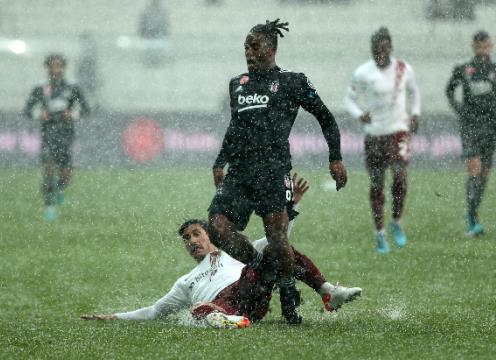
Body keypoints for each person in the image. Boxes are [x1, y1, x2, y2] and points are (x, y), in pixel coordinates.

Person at [81, 174, 362, 328]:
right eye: (186, 238)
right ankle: (228, 320)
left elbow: (279, 243)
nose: (191, 241)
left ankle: (327, 291)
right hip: (229, 307)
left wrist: (291, 207)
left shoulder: (240, 252)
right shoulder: (186, 281)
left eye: (195, 234)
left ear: (211, 235)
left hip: (250, 288)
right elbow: (155, 311)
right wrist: (115, 317)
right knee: (199, 310)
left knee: (279, 251)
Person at [208, 19, 347, 325]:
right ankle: (261, 265)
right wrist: (220, 161)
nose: (248, 51)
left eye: (253, 45)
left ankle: (287, 297)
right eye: (245, 45)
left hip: (273, 172)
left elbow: (326, 118)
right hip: (241, 174)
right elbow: (235, 127)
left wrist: (335, 158)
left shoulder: (292, 82)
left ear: (271, 47)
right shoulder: (237, 84)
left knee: (278, 239)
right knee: (217, 228)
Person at [344, 27, 421, 254]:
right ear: (371, 49)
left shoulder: (403, 68)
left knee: (399, 177)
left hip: (398, 131)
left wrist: (415, 113)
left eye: (384, 47)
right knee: (377, 184)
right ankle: (380, 234)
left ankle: (396, 221)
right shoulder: (362, 73)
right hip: (375, 135)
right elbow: (348, 99)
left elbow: (414, 92)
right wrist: (360, 114)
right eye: (376, 48)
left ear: (390, 47)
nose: (380, 52)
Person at [24, 54, 90, 221]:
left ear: (64, 68)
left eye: (59, 66)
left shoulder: (73, 88)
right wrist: (40, 114)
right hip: (48, 135)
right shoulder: (40, 88)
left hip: (66, 135)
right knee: (48, 167)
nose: (56, 69)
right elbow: (27, 111)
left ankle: (59, 190)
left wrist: (73, 113)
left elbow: (86, 110)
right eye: (52, 66)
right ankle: (49, 206)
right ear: (47, 68)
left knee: (65, 175)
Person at [446, 30, 496, 237]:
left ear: (490, 46)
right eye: (477, 45)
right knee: (474, 170)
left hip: (491, 126)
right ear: (473, 46)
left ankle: (473, 213)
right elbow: (449, 90)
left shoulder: (494, 69)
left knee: (484, 173)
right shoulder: (463, 69)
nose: (481, 48)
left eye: (484, 45)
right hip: (471, 127)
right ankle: (472, 217)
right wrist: (460, 111)